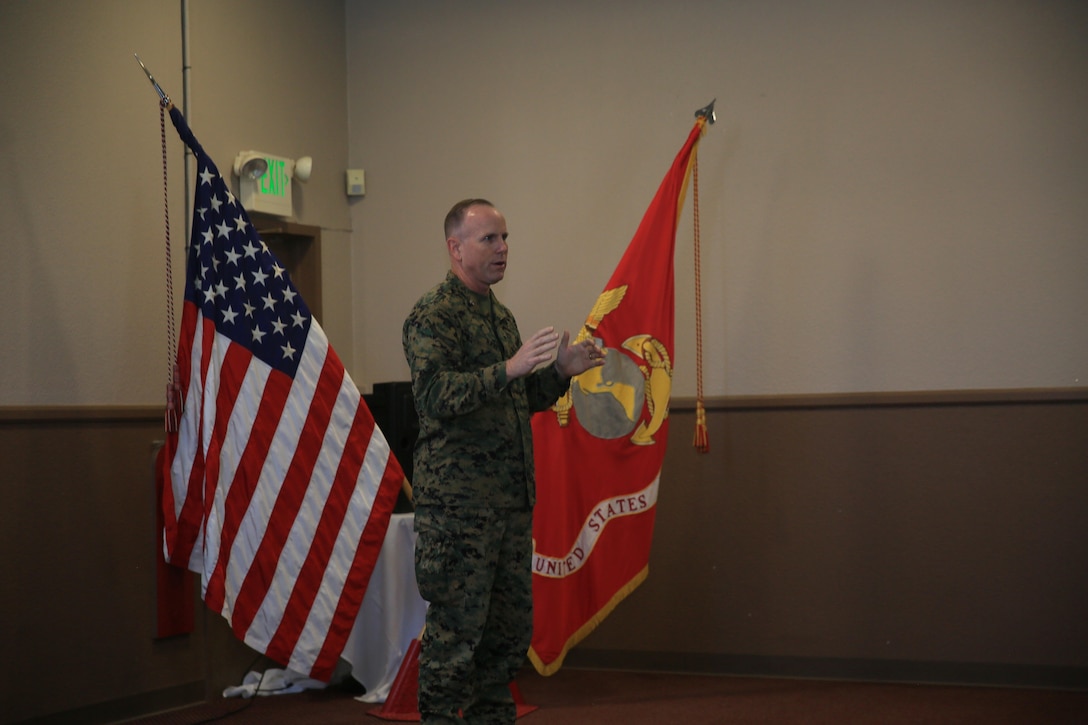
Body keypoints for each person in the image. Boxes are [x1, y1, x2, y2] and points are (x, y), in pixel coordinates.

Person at [402, 199, 604, 724]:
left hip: (509, 508)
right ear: (455, 248)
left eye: (505, 237)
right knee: (456, 640)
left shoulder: (500, 317)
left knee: (504, 642)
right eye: (489, 239)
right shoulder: (433, 315)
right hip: (458, 510)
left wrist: (560, 370)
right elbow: (433, 397)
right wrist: (507, 369)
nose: (502, 248)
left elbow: (519, 399)